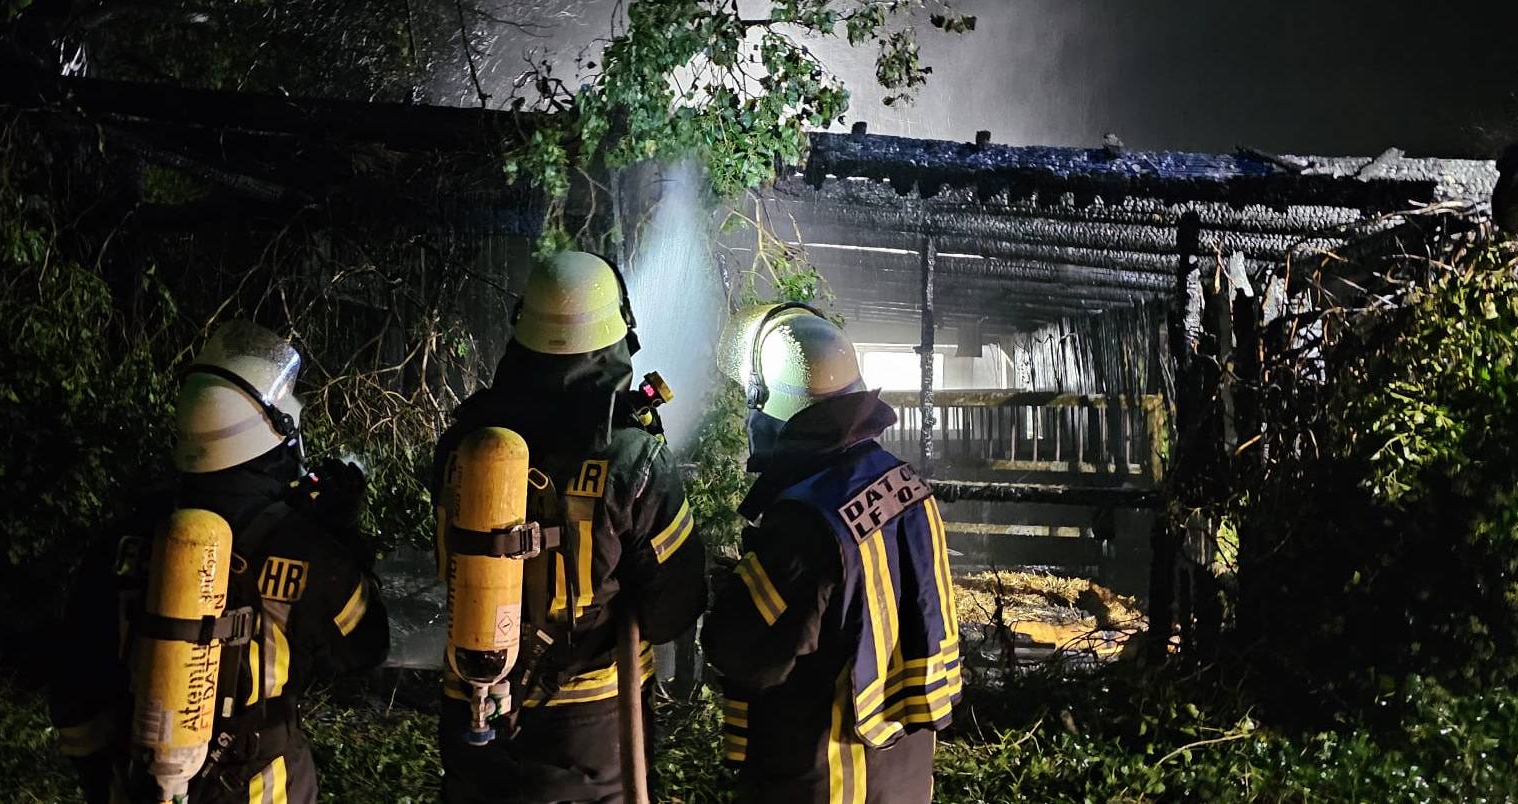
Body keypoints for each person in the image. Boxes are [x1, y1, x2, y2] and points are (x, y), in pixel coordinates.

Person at [49, 320, 389, 804]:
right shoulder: (305, 548)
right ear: (276, 432)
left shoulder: (126, 534)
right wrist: (343, 536)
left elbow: (74, 684)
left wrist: (106, 780)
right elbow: (367, 647)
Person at [434, 250, 707, 804]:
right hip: (590, 727)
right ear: (618, 332)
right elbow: (673, 606)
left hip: (470, 704)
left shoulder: (464, 438)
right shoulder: (632, 456)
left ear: (521, 329)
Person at [701, 304, 961, 804]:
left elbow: (749, 654)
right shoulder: (903, 482)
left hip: (829, 774)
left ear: (769, 401)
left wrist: (726, 593)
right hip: (901, 771)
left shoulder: (805, 521)